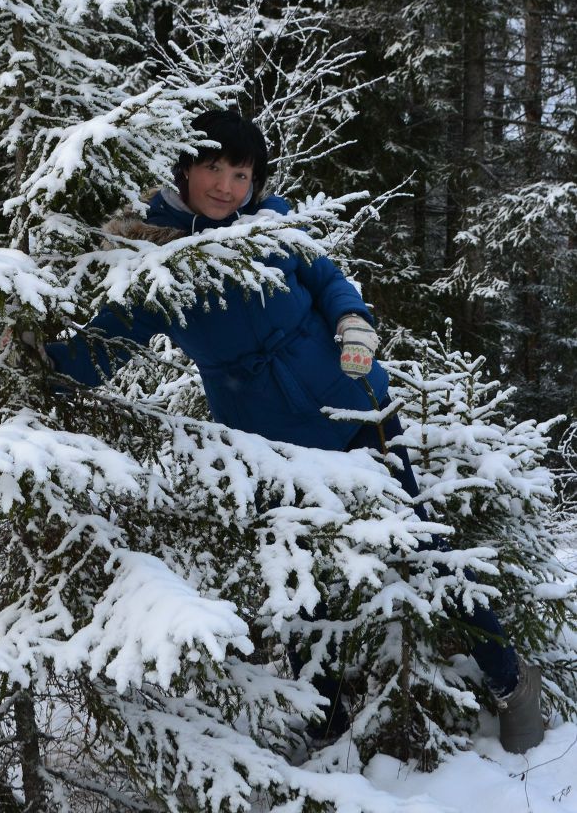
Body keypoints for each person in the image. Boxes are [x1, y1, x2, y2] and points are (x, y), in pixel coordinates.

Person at [44, 110, 544, 753]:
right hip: (269, 444)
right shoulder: (156, 259)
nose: (226, 186)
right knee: (304, 581)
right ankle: (326, 716)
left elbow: (328, 280)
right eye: (214, 168)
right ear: (186, 169)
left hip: (357, 407)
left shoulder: (271, 224)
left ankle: (509, 680)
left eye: (241, 173)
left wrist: (354, 322)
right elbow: (105, 346)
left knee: (423, 548)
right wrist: (43, 361)